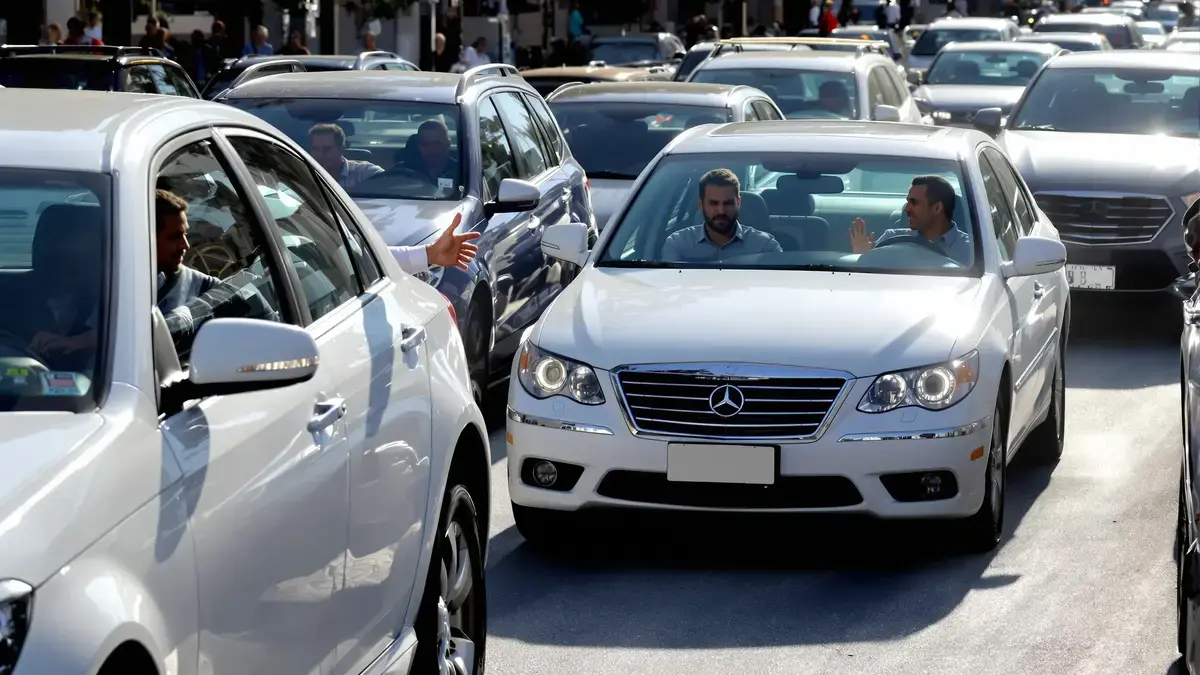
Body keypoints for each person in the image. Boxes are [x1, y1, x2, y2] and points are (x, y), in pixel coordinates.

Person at [661, 169, 782, 262]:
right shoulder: (678, 244)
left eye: (728, 203)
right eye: (714, 203)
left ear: (738, 203)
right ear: (701, 204)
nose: (721, 211)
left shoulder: (765, 247)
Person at [848, 175, 972, 266]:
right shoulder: (890, 239)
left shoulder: (970, 251)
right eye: (907, 201)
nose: (906, 208)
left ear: (937, 208)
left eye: (914, 202)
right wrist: (863, 256)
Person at [307, 123, 384, 190]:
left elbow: (389, 181)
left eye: (327, 149)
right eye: (316, 149)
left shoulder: (364, 172)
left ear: (342, 149)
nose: (321, 154)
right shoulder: (304, 175)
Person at [405, 119, 458, 185]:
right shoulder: (402, 174)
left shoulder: (463, 174)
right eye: (425, 144)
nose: (431, 148)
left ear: (448, 144)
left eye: (437, 143)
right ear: (419, 146)